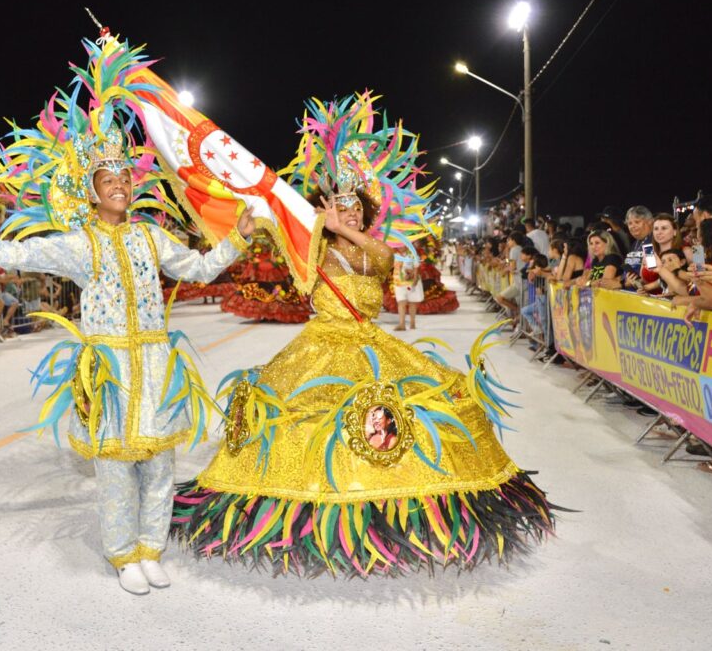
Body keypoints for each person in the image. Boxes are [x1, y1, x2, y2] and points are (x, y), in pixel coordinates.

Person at [0, 36, 254, 595]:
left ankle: (152, 548)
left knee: (160, 462)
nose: (121, 186)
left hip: (156, 363)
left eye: (125, 178)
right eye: (109, 181)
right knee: (115, 467)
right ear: (92, 192)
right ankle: (123, 554)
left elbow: (201, 268)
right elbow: (20, 253)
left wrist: (238, 238)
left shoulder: (151, 236)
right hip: (109, 368)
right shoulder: (79, 244)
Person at [171, 93, 554, 578]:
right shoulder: (313, 251)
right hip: (318, 345)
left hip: (370, 342)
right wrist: (282, 222)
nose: (349, 214)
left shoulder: (372, 250)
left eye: (355, 209)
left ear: (365, 215)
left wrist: (344, 228)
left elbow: (384, 259)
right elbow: (273, 229)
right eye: (341, 209)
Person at [391, 254, 422, 330]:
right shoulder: (395, 255)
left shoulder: (412, 254)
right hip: (398, 282)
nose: (400, 248)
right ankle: (402, 324)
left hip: (410, 283)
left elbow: (416, 267)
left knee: (412, 303)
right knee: (401, 303)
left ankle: (412, 323)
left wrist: (414, 278)